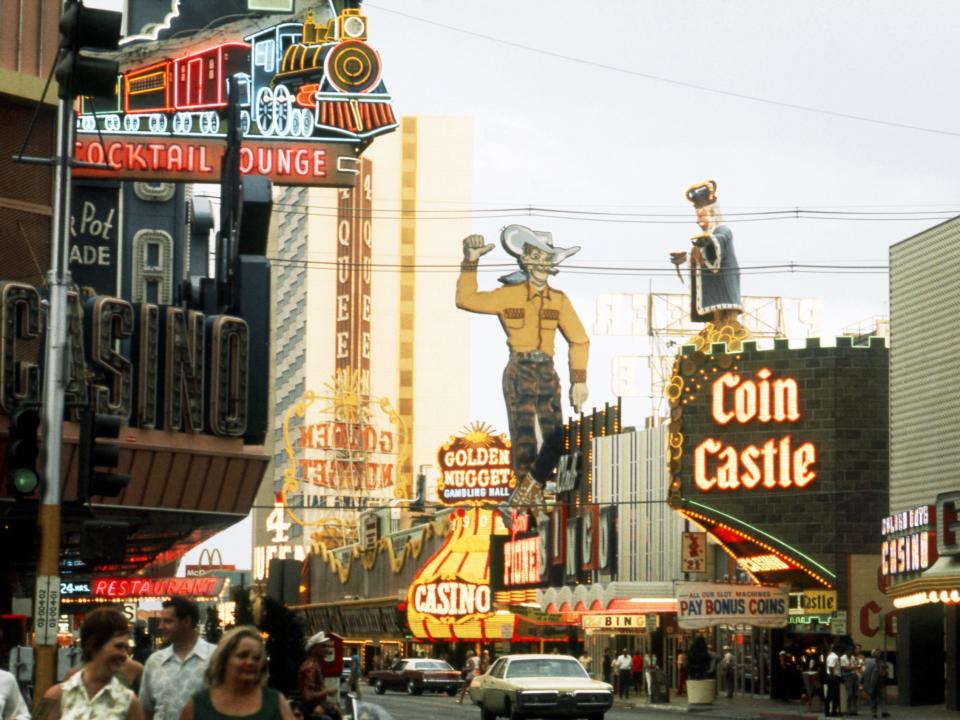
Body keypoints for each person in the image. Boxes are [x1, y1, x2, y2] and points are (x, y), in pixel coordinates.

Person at [457, 226, 589, 513]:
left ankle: (526, 495)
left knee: (557, 438)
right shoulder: (510, 294)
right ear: (526, 260)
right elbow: (466, 299)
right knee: (524, 438)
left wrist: (579, 380)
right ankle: (527, 504)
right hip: (520, 370)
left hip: (547, 371)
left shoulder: (559, 300)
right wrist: (471, 261)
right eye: (536, 255)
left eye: (547, 256)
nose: (542, 262)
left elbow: (579, 339)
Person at [35, 607, 143, 720]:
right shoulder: (58, 696)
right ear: (93, 644)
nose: (124, 654)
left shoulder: (128, 702)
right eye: (118, 646)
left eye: (126, 648)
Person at [179, 626, 295, 720]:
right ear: (224, 659)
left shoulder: (276, 703)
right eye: (242, 655)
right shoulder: (199, 705)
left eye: (256, 658)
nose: (250, 662)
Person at [141, 597, 215, 720]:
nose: (160, 626)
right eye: (161, 621)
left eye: (168, 621)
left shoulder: (215, 658)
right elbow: (146, 710)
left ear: (186, 621)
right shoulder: (155, 662)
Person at [298, 632, 340, 720]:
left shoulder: (315, 664)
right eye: (323, 646)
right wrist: (327, 691)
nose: (327, 650)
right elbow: (307, 696)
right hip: (311, 709)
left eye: (328, 646)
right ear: (314, 649)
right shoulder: (310, 667)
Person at [861, 649, 888, 719]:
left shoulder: (882, 662)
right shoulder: (868, 662)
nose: (878, 654)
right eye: (877, 653)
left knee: (882, 697)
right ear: (873, 654)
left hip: (880, 683)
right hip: (871, 683)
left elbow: (884, 672)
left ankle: (883, 711)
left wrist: (882, 670)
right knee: (873, 698)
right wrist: (863, 683)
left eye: (879, 653)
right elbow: (865, 673)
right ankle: (874, 712)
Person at [825, 643, 842, 718]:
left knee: (830, 695)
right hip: (833, 677)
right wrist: (833, 676)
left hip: (831, 677)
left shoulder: (830, 655)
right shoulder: (834, 657)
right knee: (835, 696)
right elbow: (831, 667)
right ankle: (833, 712)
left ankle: (827, 711)